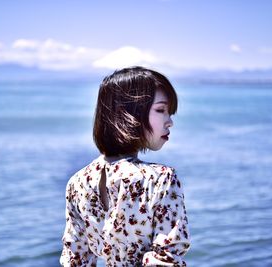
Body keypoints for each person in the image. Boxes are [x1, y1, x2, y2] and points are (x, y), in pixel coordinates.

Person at [60, 66, 190, 266]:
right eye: (161, 110)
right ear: (129, 113)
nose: (170, 121)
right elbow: (167, 259)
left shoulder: (77, 183)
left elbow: (75, 260)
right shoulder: (160, 179)